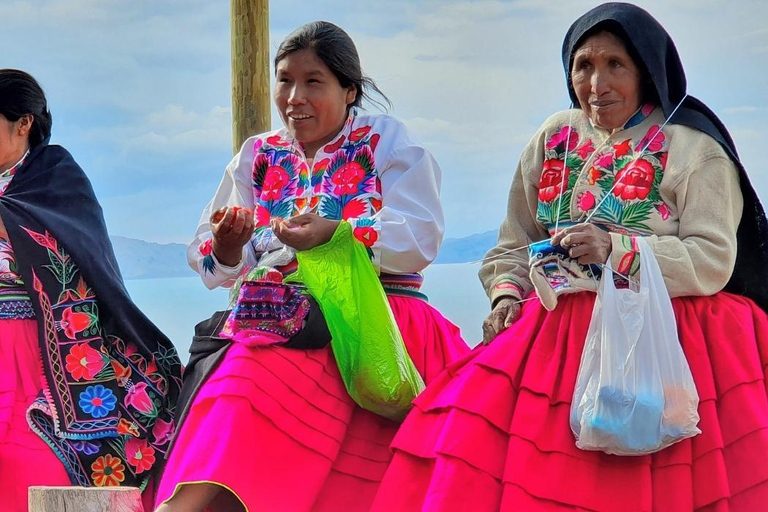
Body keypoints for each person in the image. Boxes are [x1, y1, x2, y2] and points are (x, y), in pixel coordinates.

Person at [370, 3, 768, 511]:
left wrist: (617, 247)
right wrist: (506, 295)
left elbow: (713, 258)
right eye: (584, 65)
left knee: (650, 487)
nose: (596, 83)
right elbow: (516, 238)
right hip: (554, 340)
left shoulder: (693, 149)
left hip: (667, 338)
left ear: (645, 70)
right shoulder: (555, 136)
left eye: (614, 66)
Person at [155, 21, 469, 512]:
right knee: (236, 394)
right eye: (285, 80)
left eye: (313, 81)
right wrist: (231, 246)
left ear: (350, 90)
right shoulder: (258, 155)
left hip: (377, 319)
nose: (295, 96)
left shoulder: (384, 141)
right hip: (281, 321)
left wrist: (337, 234)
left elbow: (420, 235)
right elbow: (211, 262)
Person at [0, 69, 183, 511]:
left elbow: (79, 258)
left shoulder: (55, 178)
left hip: (40, 361)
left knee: (29, 467)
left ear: (22, 124)